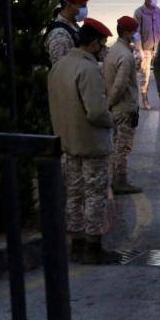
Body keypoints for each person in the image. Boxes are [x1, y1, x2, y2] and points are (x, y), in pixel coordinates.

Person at [47, 18, 120, 265]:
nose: (104, 48)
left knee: (74, 195)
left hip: (66, 141)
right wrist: (112, 120)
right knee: (95, 195)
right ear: (93, 44)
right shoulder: (88, 69)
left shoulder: (59, 66)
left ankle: (76, 245)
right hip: (91, 144)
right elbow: (97, 112)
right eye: (103, 43)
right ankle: (93, 247)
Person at [103, 16, 143, 195]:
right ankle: (119, 181)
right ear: (127, 33)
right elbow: (120, 85)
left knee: (116, 144)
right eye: (134, 31)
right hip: (124, 107)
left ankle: (116, 179)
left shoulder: (114, 50)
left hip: (117, 107)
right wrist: (110, 103)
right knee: (123, 146)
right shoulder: (125, 56)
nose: (136, 34)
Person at [134, 0, 160, 110]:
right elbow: (136, 33)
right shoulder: (139, 12)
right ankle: (144, 98)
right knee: (145, 76)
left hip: (158, 48)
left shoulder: (158, 11)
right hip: (145, 49)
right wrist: (139, 49)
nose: (154, 0)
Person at [44, 0, 92, 66]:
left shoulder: (72, 24)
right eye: (82, 6)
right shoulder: (59, 35)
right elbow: (61, 68)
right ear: (68, 5)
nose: (85, 10)